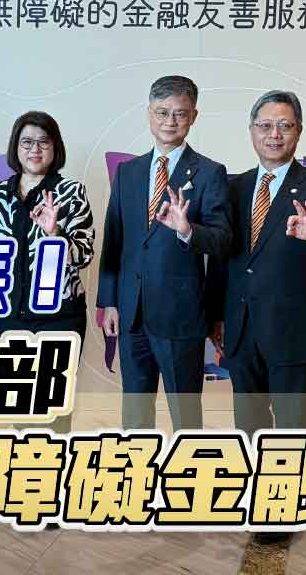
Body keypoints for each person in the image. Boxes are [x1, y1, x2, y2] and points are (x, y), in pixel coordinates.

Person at [207, 90, 306, 546]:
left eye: (284, 126)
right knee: (249, 419)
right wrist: (216, 315)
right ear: (252, 131)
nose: (274, 134)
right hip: (240, 326)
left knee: (290, 424)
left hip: (293, 328)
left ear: (299, 132)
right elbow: (223, 258)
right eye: (265, 125)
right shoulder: (233, 187)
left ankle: (282, 507)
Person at [97, 76, 231, 431]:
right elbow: (114, 240)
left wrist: (188, 231)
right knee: (135, 413)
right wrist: (109, 301)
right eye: (162, 112)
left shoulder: (209, 173)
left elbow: (222, 240)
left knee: (185, 416)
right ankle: (136, 465)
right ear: (149, 114)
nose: (170, 121)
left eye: (180, 113)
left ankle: (187, 465)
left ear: (194, 117)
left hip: (180, 316)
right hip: (132, 314)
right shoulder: (128, 171)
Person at [0, 111, 95, 432]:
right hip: (9, 318)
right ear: (15, 147)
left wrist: (55, 234)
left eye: (44, 142)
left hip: (58, 317)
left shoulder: (72, 192)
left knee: (53, 413)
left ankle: (53, 462)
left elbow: (84, 254)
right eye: (27, 142)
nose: (35, 149)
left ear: (55, 147)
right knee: (19, 410)